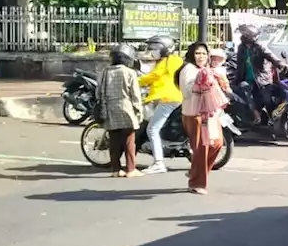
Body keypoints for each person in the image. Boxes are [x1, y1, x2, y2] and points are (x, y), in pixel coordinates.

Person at [178, 42, 229, 195]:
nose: (201, 56)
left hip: (211, 113)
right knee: (201, 148)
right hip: (195, 114)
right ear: (192, 55)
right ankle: (196, 183)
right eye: (197, 53)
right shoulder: (188, 69)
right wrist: (199, 83)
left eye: (204, 54)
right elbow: (186, 91)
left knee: (217, 144)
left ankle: (196, 172)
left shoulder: (207, 70)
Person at [97, 44, 143, 178]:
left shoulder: (105, 72)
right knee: (129, 140)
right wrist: (138, 111)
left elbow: (98, 92)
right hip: (126, 107)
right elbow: (135, 94)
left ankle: (115, 169)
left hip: (110, 108)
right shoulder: (130, 73)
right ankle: (130, 169)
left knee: (114, 141)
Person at [138, 36, 182, 175]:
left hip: (167, 99)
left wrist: (135, 81)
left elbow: (153, 76)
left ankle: (158, 163)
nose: (153, 52)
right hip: (172, 97)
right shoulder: (173, 60)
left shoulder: (168, 62)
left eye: (156, 49)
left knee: (152, 129)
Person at [233, 23, 286, 121]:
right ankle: (258, 119)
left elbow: (270, 56)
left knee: (267, 100)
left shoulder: (259, 46)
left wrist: (281, 65)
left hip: (262, 79)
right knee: (251, 99)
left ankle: (274, 120)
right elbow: (240, 65)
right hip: (248, 79)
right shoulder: (241, 48)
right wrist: (237, 79)